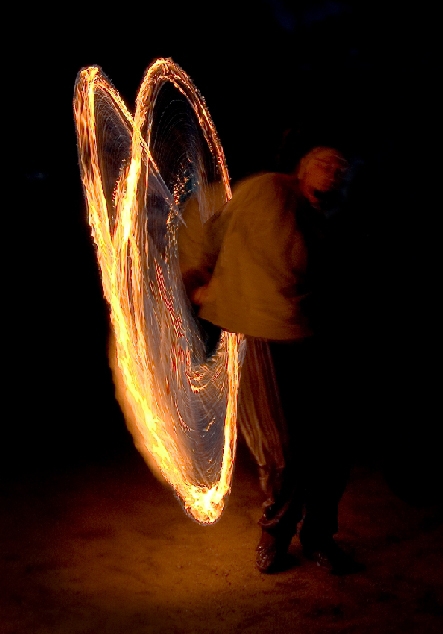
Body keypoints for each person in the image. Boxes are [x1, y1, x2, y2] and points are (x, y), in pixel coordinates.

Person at [178, 144, 364, 575]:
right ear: (302, 167)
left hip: (315, 337)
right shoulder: (266, 192)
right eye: (322, 162)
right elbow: (205, 221)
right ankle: (275, 533)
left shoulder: (339, 217)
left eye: (340, 165)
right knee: (280, 449)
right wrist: (197, 279)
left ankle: (319, 535)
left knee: (330, 446)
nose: (331, 171)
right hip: (259, 334)